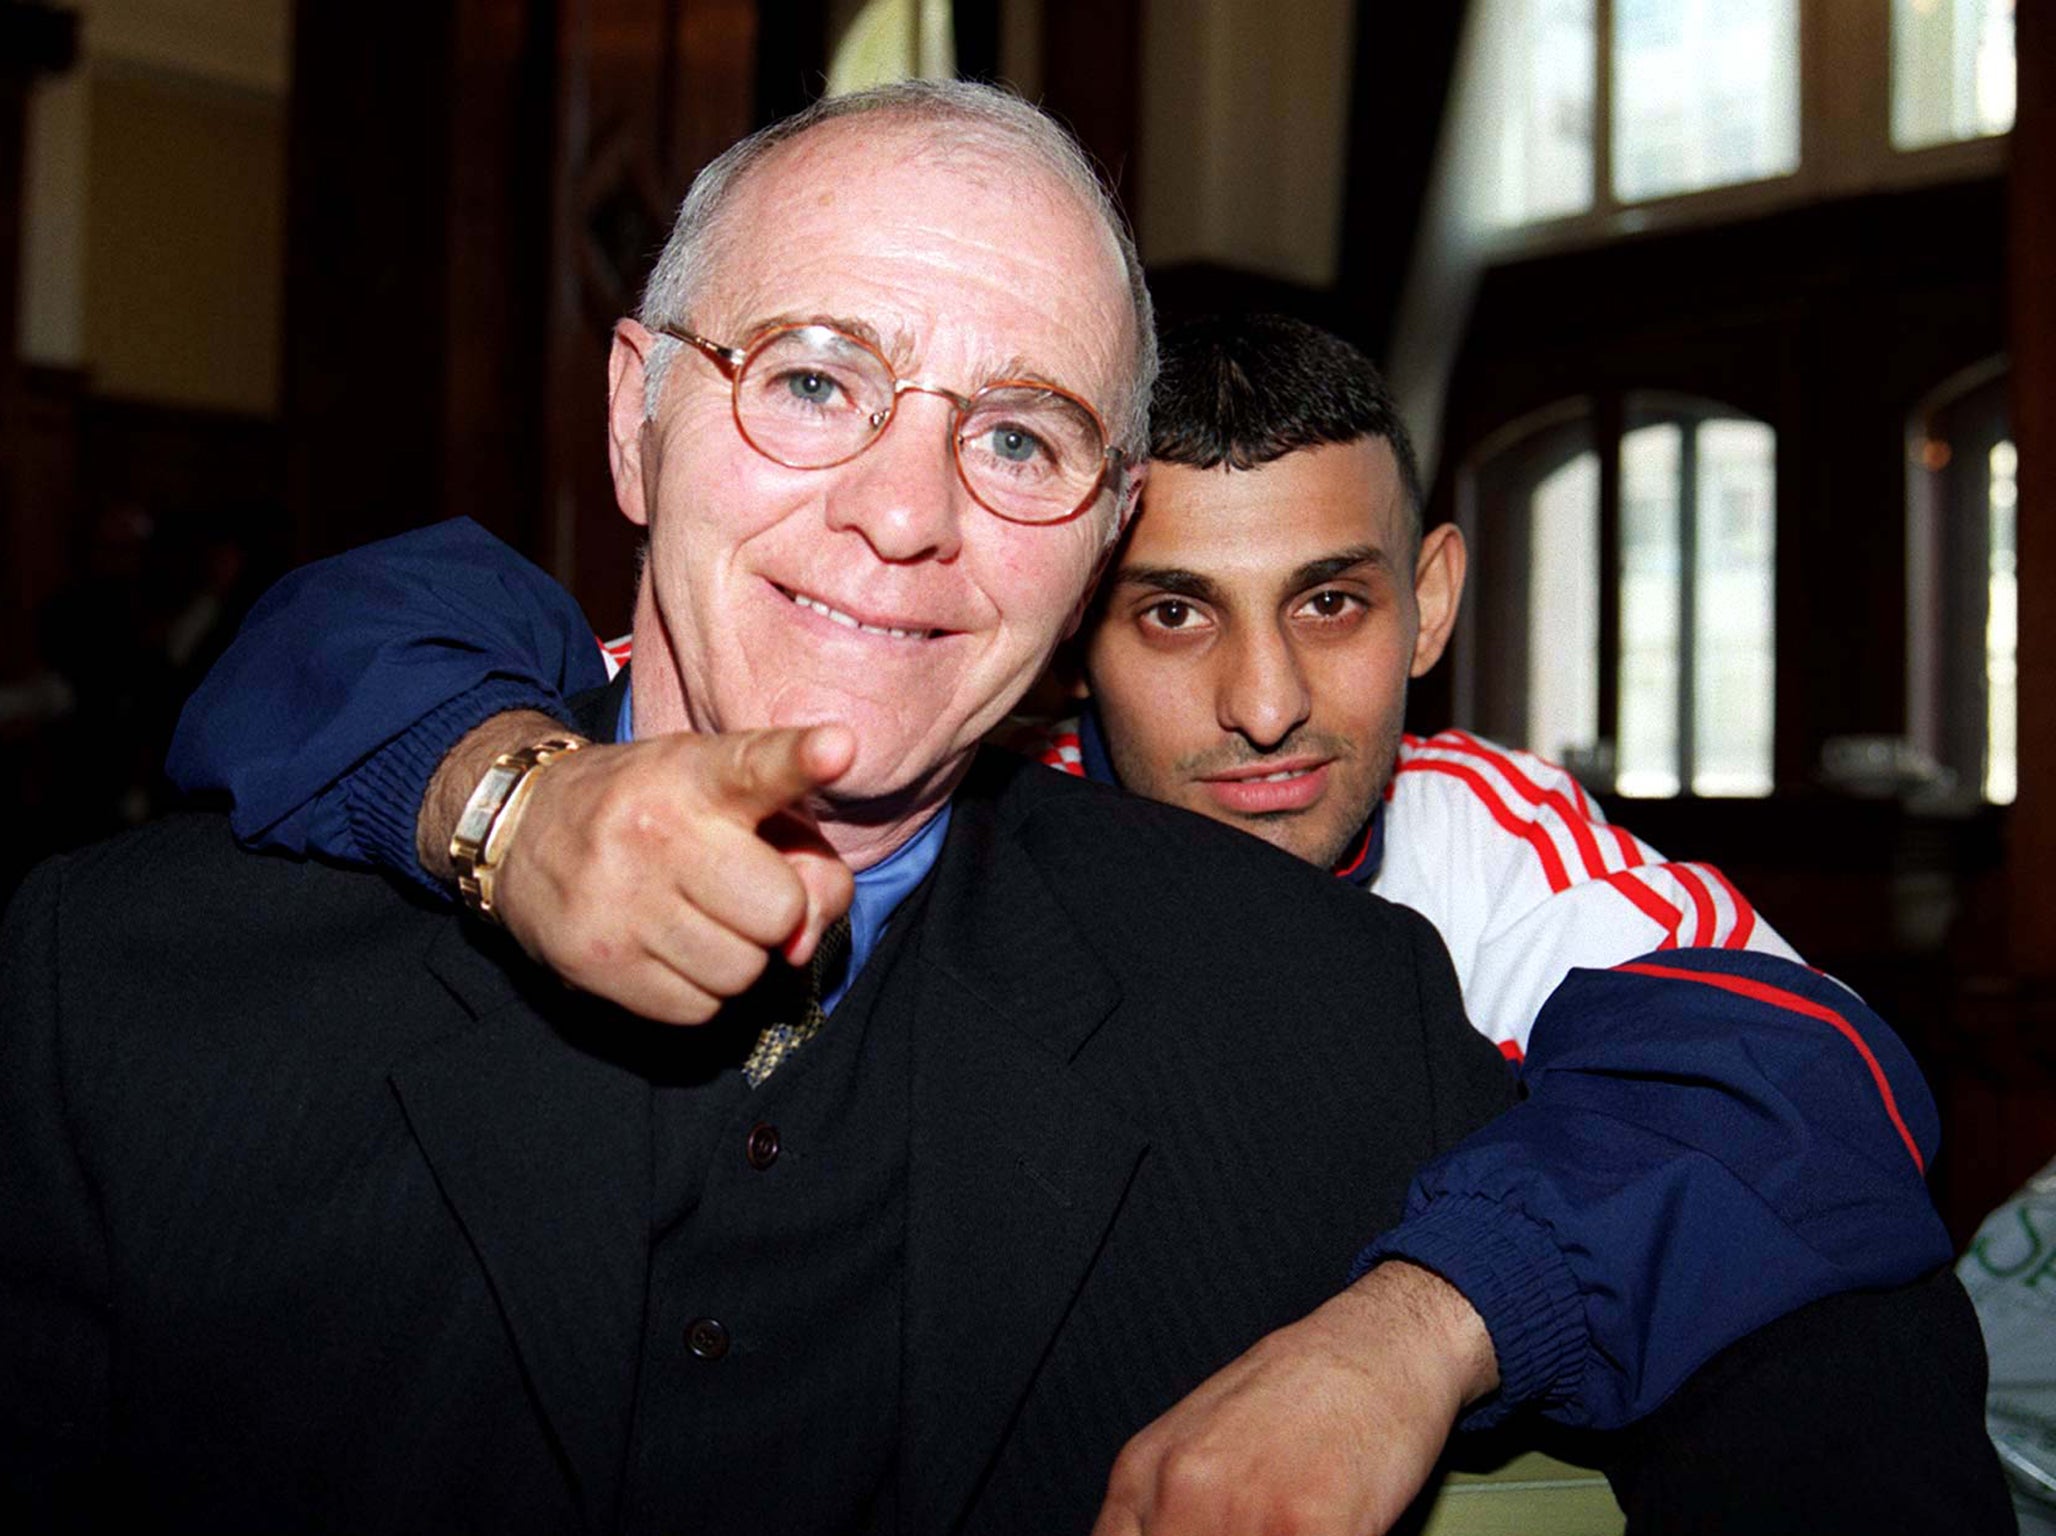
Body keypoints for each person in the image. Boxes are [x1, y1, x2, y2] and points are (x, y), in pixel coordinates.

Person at [151, 247, 2007, 1535]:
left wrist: (1420, 1330)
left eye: (1335, 604)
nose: (1267, 705)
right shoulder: (933, 793)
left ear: (1436, 601)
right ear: (1054, 628)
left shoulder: (1492, 850)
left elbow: (1807, 1099)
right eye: (1174, 611)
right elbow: (351, 633)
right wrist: (521, 802)